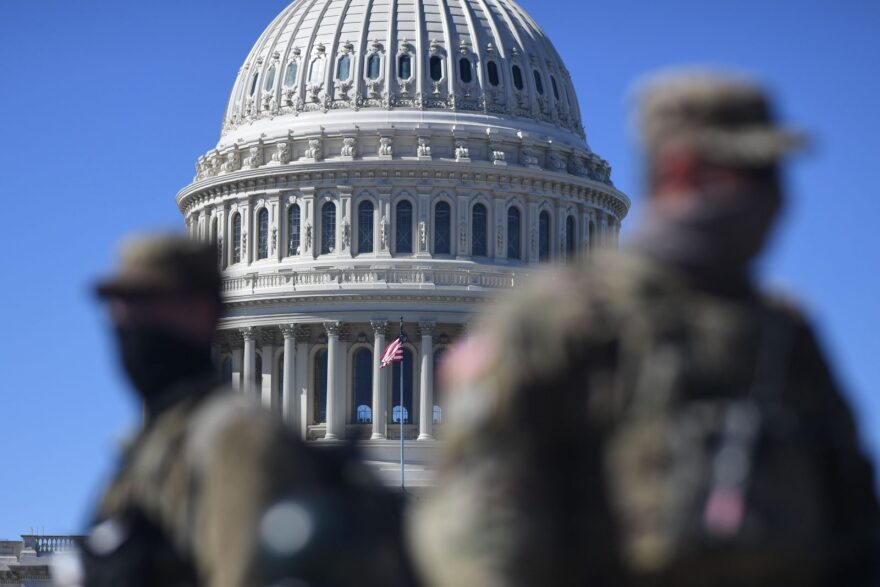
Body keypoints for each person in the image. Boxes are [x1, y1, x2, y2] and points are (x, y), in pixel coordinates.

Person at [409, 71, 879, 586]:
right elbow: (476, 525)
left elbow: (853, 522)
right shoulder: (558, 319)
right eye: (750, 171)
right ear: (682, 171)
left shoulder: (783, 333)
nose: (775, 195)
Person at [73, 234, 416, 587]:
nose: (125, 320)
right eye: (118, 304)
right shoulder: (152, 446)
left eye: (146, 302)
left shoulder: (235, 436)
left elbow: (243, 574)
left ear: (203, 311)